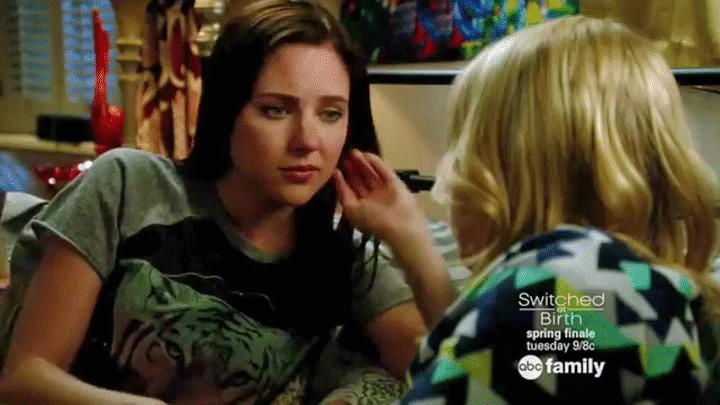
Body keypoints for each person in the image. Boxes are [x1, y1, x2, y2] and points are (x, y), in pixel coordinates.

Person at [0, 1, 455, 404]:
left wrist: (412, 239)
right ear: (226, 112)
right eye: (276, 109)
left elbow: (459, 367)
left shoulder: (344, 257)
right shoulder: (128, 186)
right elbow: (25, 379)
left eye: (331, 113)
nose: (308, 141)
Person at [393, 15, 720, 404]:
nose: (451, 182)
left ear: (513, 173)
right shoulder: (631, 291)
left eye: (463, 152)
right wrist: (412, 243)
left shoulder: (569, 286)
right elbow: (505, 373)